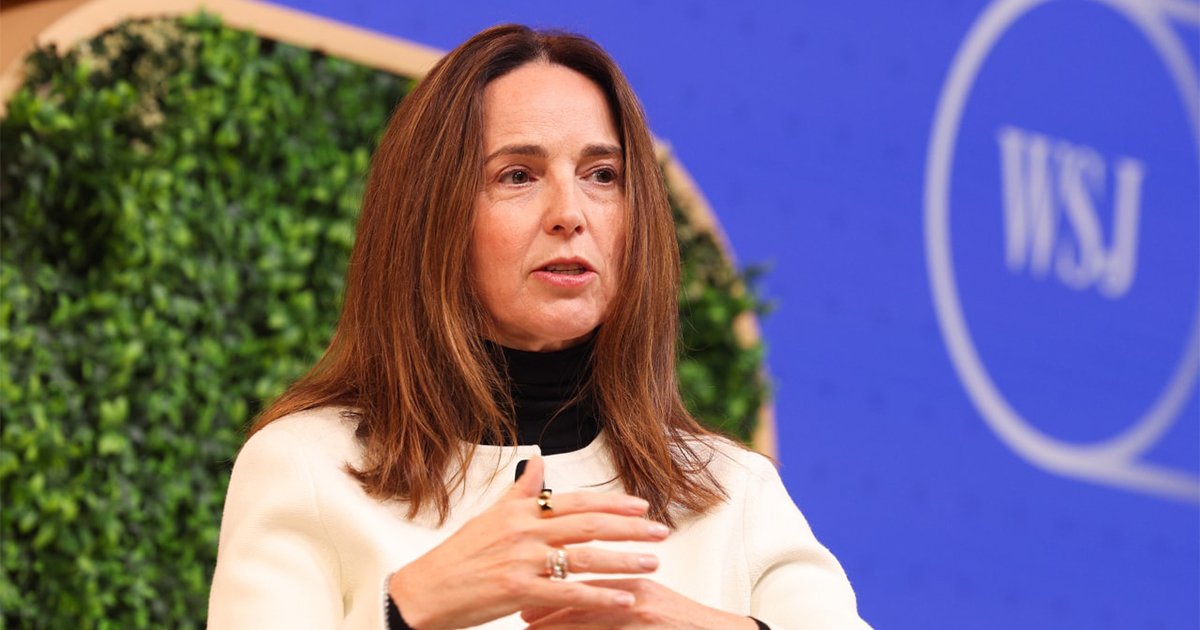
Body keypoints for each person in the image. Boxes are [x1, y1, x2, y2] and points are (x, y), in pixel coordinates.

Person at [206, 24, 870, 630]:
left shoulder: (731, 489)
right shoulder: (307, 465)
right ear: (430, 216)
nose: (569, 213)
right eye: (518, 175)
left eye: (602, 175)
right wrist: (405, 610)